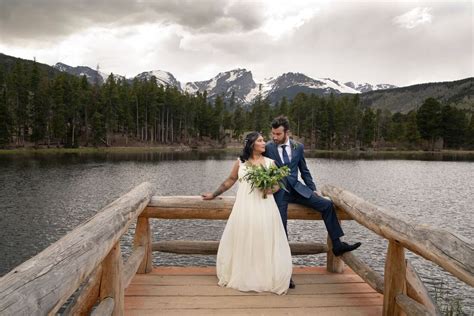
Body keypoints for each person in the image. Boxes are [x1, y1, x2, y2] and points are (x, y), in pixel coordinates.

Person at [264, 116, 361, 289]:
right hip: (279, 194)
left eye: (278, 134)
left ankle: (337, 245)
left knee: (327, 205)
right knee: (281, 231)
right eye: (273, 134)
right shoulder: (268, 148)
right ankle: (284, 274)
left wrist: (313, 188)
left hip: (299, 190)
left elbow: (304, 171)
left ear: (287, 132)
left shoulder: (298, 147)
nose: (275, 137)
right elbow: (254, 161)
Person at [201, 132, 292, 295]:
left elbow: (278, 185)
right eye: (260, 141)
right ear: (251, 144)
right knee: (244, 239)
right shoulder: (240, 162)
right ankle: (244, 274)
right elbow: (230, 180)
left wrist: (270, 188)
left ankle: (264, 276)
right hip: (244, 208)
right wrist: (213, 194)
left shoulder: (270, 163)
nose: (264, 143)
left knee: (262, 239)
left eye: (264, 140)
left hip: (265, 207)